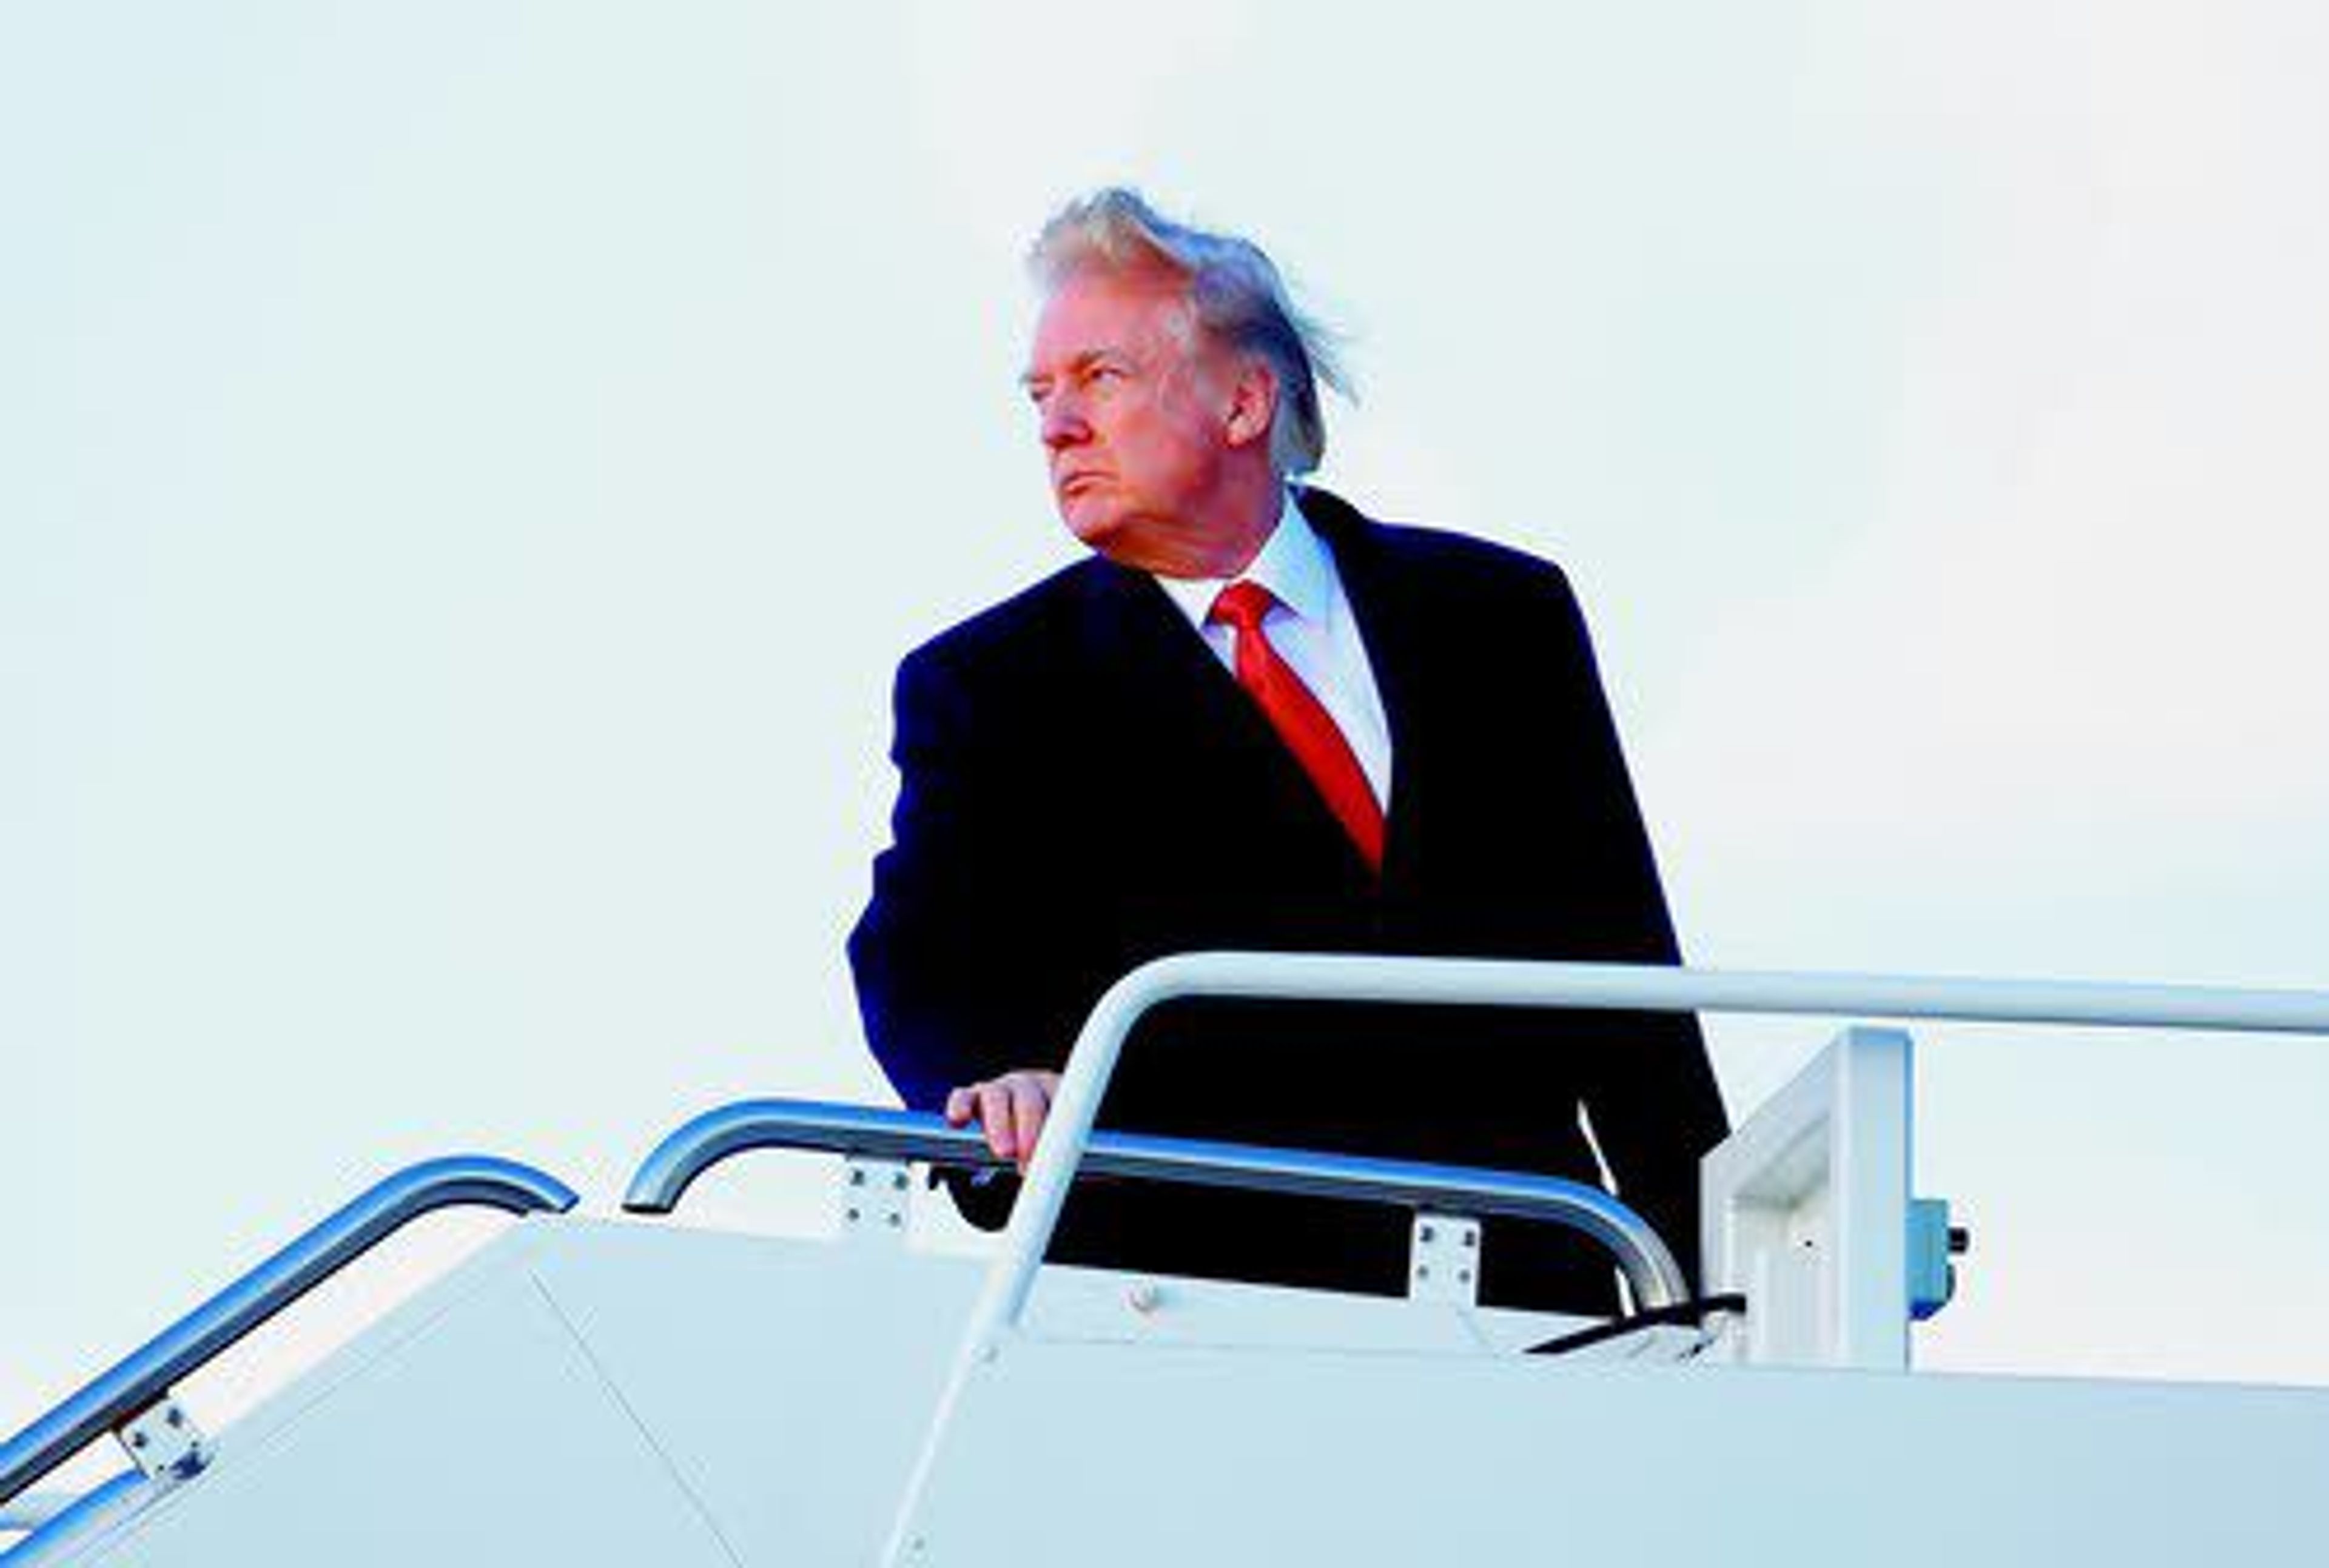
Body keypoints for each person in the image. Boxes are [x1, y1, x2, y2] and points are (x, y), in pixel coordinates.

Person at [848, 189, 1726, 1314]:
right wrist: (986, 1079)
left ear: (1246, 399)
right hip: (1193, 1323)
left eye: (1100, 377)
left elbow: (1627, 989)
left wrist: (1715, 1300)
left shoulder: (1501, 617)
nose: (1056, 423)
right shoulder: (988, 685)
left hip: (1527, 1306)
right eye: (1041, 392)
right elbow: (917, 951)